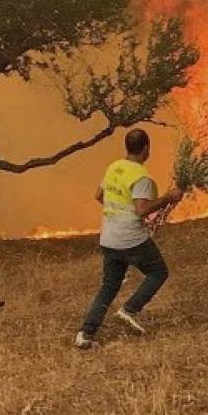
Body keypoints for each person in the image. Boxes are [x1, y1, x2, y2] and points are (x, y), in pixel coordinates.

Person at [75, 128, 182, 349]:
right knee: (158, 272)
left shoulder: (114, 167)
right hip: (130, 238)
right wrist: (169, 197)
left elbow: (99, 195)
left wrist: (119, 213)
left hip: (109, 237)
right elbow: (142, 209)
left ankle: (85, 334)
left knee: (109, 287)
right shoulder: (141, 176)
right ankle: (129, 310)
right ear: (146, 149)